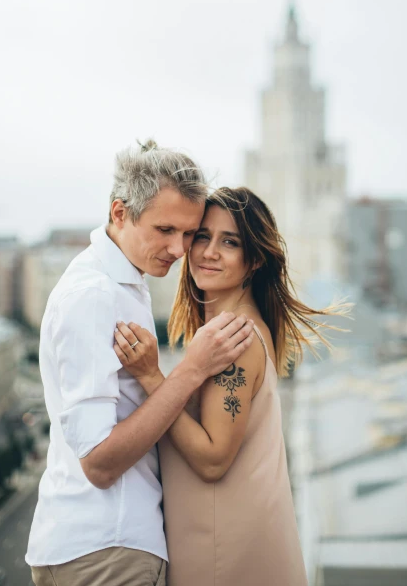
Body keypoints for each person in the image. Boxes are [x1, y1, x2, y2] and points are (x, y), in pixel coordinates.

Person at [26, 142, 255, 586]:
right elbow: (100, 463)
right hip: (107, 551)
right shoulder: (95, 294)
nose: (179, 248)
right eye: (165, 229)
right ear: (119, 213)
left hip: (105, 546)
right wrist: (191, 369)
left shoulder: (124, 280)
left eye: (189, 233)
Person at [115, 186, 348, 586]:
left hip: (221, 549)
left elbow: (213, 458)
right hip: (223, 536)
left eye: (230, 242)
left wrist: (152, 377)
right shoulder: (231, 330)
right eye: (202, 236)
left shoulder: (233, 339)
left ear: (254, 259)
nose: (208, 252)